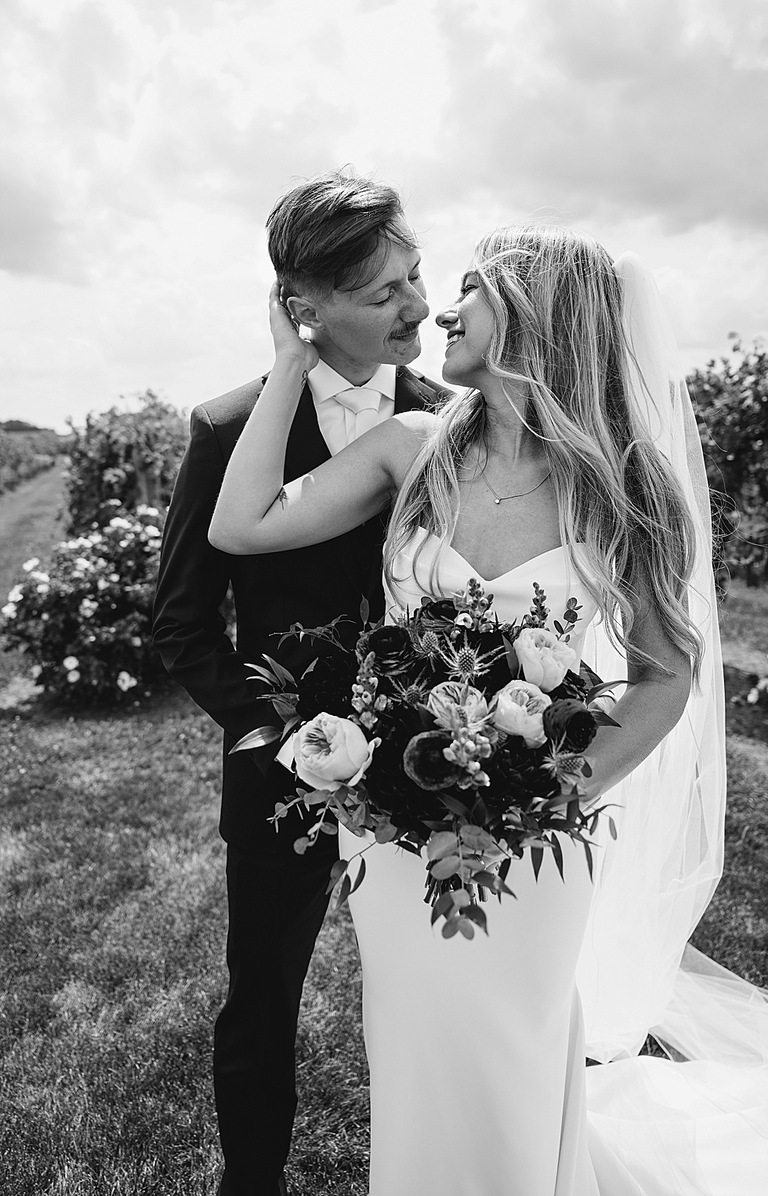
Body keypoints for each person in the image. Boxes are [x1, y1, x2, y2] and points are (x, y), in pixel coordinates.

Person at [208, 226, 768, 1194]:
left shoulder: (627, 483)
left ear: (535, 316)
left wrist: (545, 796)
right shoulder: (411, 450)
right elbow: (240, 524)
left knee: (517, 1040)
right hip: (394, 832)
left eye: (470, 286)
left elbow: (663, 677)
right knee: (413, 1048)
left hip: (540, 831)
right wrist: (289, 364)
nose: (441, 308)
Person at [152, 170, 445, 1196]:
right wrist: (269, 732)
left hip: (440, 763)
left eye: (417, 277)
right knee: (264, 994)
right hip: (285, 772)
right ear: (303, 306)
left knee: (441, 979)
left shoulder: (452, 422)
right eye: (382, 293)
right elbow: (181, 619)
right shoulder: (226, 429)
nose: (417, 308)